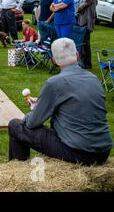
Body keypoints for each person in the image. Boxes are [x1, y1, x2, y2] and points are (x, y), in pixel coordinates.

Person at [8, 38, 113, 166]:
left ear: (54, 60)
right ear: (77, 55)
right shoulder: (94, 79)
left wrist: (36, 109)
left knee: (15, 125)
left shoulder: (54, 83)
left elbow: (32, 123)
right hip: (103, 152)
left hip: (78, 153)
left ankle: (19, 173)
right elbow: (76, 104)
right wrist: (43, 102)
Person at [78, 0, 98, 69]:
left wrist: (80, 7)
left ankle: (85, 64)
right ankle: (87, 63)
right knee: (85, 44)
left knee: (84, 44)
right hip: (85, 22)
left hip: (86, 23)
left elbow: (80, 8)